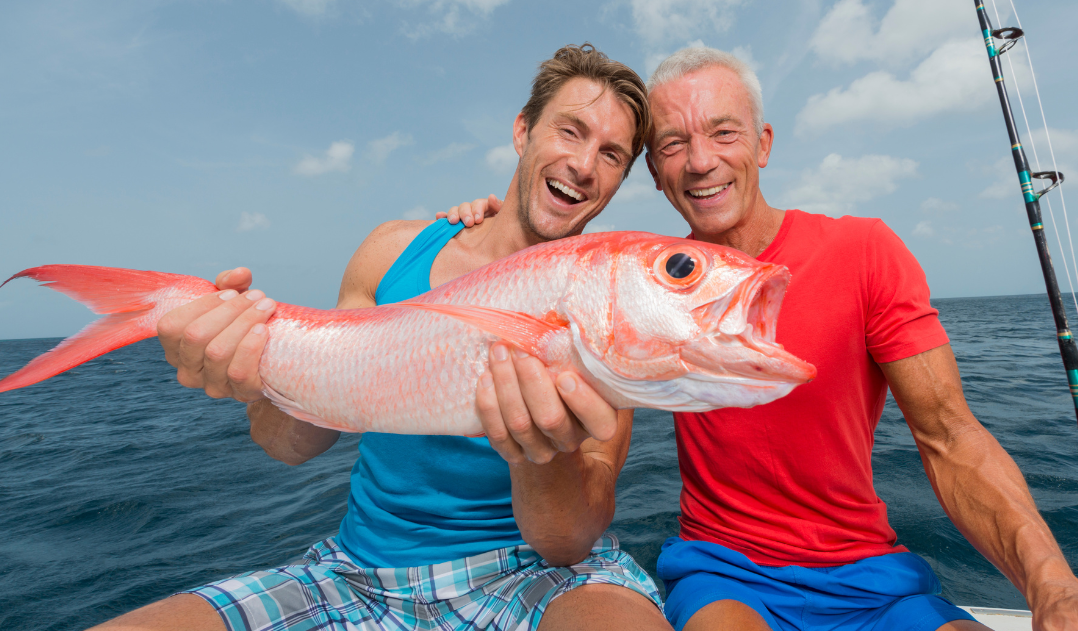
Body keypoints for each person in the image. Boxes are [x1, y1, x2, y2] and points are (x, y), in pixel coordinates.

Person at [442, 47, 1078, 631]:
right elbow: (596, 459)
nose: (700, 159)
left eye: (723, 132)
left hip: (873, 575)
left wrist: (1054, 590)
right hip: (722, 575)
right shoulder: (641, 294)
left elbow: (950, 439)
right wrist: (484, 230)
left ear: (763, 144)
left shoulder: (865, 252)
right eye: (671, 144)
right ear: (655, 175)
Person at [92, 44, 673, 631]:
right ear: (523, 132)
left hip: (537, 576)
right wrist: (250, 377)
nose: (584, 164)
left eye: (611, 155)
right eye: (570, 131)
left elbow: (567, 542)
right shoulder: (394, 249)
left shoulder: (610, 314)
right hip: (356, 573)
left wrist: (542, 449)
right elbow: (289, 444)